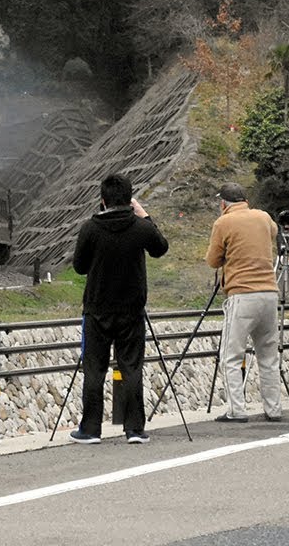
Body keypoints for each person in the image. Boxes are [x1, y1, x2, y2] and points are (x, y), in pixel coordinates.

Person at [70, 173, 169, 444]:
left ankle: (90, 429)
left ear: (102, 200)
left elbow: (79, 267)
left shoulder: (90, 228)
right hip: (132, 310)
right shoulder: (141, 228)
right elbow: (160, 248)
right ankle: (135, 429)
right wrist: (144, 215)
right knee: (131, 367)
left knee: (94, 369)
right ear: (130, 199)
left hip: (97, 309)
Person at [205, 182, 283, 423]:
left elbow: (213, 260)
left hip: (242, 294)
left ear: (223, 203)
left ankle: (237, 410)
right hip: (269, 292)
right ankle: (274, 409)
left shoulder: (223, 222)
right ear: (245, 201)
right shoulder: (263, 217)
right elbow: (274, 232)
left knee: (231, 355)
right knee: (268, 356)